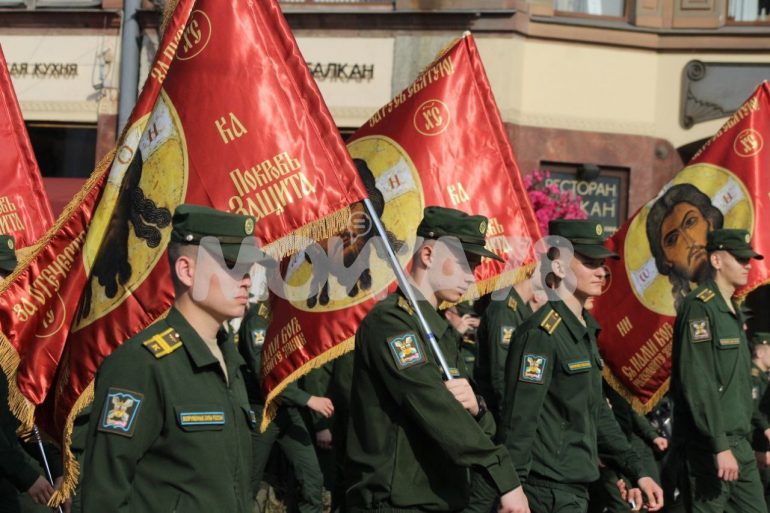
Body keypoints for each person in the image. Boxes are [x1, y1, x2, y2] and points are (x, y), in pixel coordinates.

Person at [81, 204, 266, 513]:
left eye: (248, 269)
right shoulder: (142, 365)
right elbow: (105, 497)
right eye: (231, 264)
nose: (246, 279)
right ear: (187, 271)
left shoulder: (229, 360)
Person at [345, 206, 527, 513]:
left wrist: (478, 407)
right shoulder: (391, 322)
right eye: (465, 263)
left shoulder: (439, 329)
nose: (471, 277)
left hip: (439, 497)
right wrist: (502, 474)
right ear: (428, 255)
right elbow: (432, 403)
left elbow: (471, 415)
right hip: (395, 502)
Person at [499, 219, 664, 513]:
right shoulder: (541, 334)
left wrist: (638, 470)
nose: (601, 271)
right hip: (545, 491)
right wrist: (512, 488)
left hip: (575, 488)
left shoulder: (583, 330)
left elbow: (597, 411)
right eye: (590, 263)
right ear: (560, 268)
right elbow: (519, 421)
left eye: (603, 263)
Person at [671, 228, 765, 513]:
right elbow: (698, 381)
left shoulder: (733, 310)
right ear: (716, 261)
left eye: (749, 259)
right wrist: (719, 446)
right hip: (710, 447)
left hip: (740, 443)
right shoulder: (701, 308)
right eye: (739, 258)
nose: (747, 265)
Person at [237, 300, 331, 513]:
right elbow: (267, 374)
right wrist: (308, 400)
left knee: (312, 479)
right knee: (247, 483)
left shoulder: (291, 315)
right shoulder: (258, 319)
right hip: (264, 412)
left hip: (289, 410)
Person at [0, 235, 69, 513]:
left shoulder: (7, 342)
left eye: (9, 275)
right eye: (1, 274)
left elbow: (18, 417)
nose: (7, 284)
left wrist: (55, 468)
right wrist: (27, 476)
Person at [645, 184, 723, 310]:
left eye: (691, 222)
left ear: (710, 222)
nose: (689, 241)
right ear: (665, 259)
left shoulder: (739, 286)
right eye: (672, 239)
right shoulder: (690, 311)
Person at [475, 278, 535, 423]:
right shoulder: (505, 309)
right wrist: (510, 419)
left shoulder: (521, 307)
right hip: (499, 412)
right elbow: (501, 371)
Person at [749, 332, 770, 507]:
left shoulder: (764, 377)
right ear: (760, 352)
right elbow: (753, 411)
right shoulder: (753, 376)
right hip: (754, 443)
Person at [444, 301, 481, 378]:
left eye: (472, 316)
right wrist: (458, 332)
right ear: (448, 314)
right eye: (463, 315)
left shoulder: (475, 332)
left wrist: (482, 327)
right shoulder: (443, 333)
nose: (469, 320)